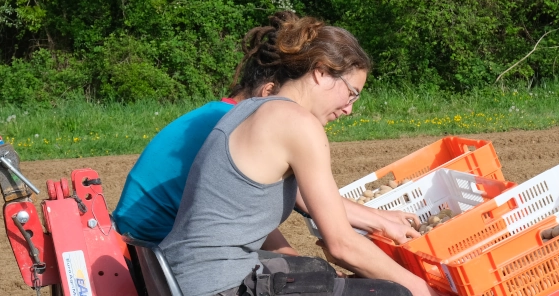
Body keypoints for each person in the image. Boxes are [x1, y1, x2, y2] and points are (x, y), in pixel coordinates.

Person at [160, 12, 455, 296]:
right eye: (351, 93)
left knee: (317, 275)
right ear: (320, 73)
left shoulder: (254, 109)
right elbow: (341, 244)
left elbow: (303, 198)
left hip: (189, 284)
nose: (350, 108)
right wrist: (420, 291)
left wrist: (377, 220)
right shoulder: (299, 126)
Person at [113, 12, 418, 246]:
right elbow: (304, 199)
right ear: (269, 90)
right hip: (153, 247)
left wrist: (380, 218)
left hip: (146, 243)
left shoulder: (217, 113)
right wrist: (379, 221)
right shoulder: (230, 122)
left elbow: (252, 208)